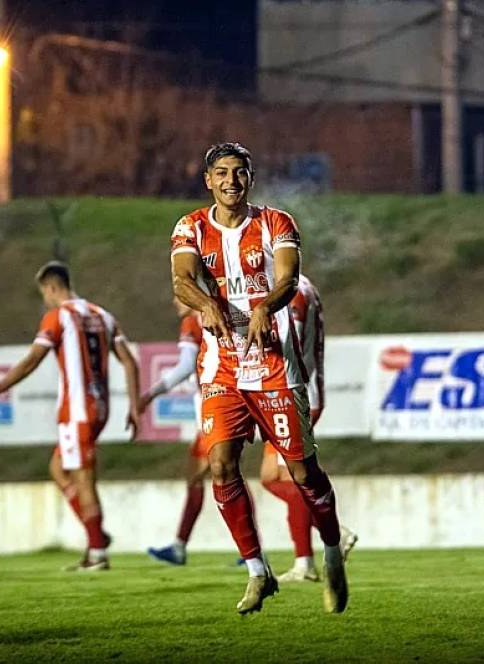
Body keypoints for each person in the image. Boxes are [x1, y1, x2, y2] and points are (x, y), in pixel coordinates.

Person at [170, 141, 349, 614]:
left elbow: (289, 277)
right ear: (208, 180)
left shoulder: (276, 222)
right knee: (222, 465)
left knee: (301, 471)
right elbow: (181, 280)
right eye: (222, 173)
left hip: (273, 366)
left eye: (240, 172)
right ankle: (258, 571)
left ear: (251, 178)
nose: (231, 180)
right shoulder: (189, 227)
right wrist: (206, 304)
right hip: (222, 367)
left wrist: (266, 305)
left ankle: (332, 550)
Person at [0, 261, 141, 571]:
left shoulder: (58, 316)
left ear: (51, 288)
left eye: (43, 293)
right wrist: (134, 405)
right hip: (100, 407)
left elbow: (32, 360)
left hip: (78, 409)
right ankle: (96, 535)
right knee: (58, 468)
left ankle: (98, 552)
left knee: (83, 478)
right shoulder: (102, 315)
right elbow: (129, 362)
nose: (45, 299)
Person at [259, 274, 358, 583]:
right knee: (270, 476)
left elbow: (292, 342)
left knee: (293, 478)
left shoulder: (292, 291)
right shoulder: (303, 286)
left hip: (295, 394)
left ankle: (307, 560)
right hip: (291, 393)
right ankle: (329, 536)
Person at [141, 298, 211, 566]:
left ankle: (254, 552)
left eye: (179, 291)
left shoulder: (193, 321)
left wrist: (150, 394)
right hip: (223, 405)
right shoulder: (222, 312)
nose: (174, 299)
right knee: (209, 476)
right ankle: (180, 545)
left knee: (223, 476)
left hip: (213, 410)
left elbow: (185, 367)